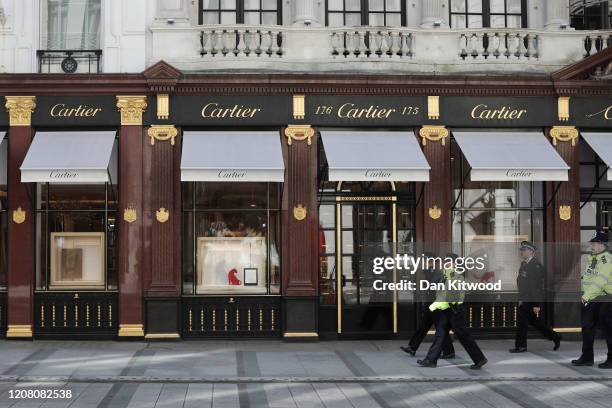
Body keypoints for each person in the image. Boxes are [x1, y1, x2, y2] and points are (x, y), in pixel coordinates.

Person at [417, 253, 488, 369]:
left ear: (455, 264)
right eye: (445, 261)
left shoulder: (456, 276)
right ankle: (430, 360)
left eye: (448, 262)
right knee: (440, 334)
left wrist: (433, 307)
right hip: (447, 310)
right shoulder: (447, 274)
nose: (446, 263)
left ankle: (479, 359)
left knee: (463, 336)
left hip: (455, 311)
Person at [509, 241, 562, 353]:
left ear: (531, 252)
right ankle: (555, 336)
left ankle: (521, 346)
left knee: (522, 323)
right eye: (521, 250)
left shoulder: (536, 266)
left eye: (524, 250)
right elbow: (521, 282)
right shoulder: (524, 264)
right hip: (524, 298)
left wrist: (536, 304)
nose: (522, 252)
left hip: (530, 299)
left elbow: (536, 287)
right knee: (535, 322)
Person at [401, 252, 455, 358]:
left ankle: (449, 352)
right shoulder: (429, 272)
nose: (423, 262)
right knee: (423, 327)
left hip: (436, 305)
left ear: (431, 262)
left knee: (440, 330)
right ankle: (412, 347)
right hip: (431, 305)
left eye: (425, 260)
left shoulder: (437, 274)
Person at [572, 231, 612, 368]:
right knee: (587, 328)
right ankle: (587, 357)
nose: (592, 246)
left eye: (594, 243)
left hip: (605, 298)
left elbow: (600, 281)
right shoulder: (593, 258)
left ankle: (611, 359)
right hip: (591, 298)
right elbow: (589, 278)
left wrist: (586, 296)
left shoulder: (606, 260)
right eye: (592, 243)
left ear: (602, 245)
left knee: (608, 330)